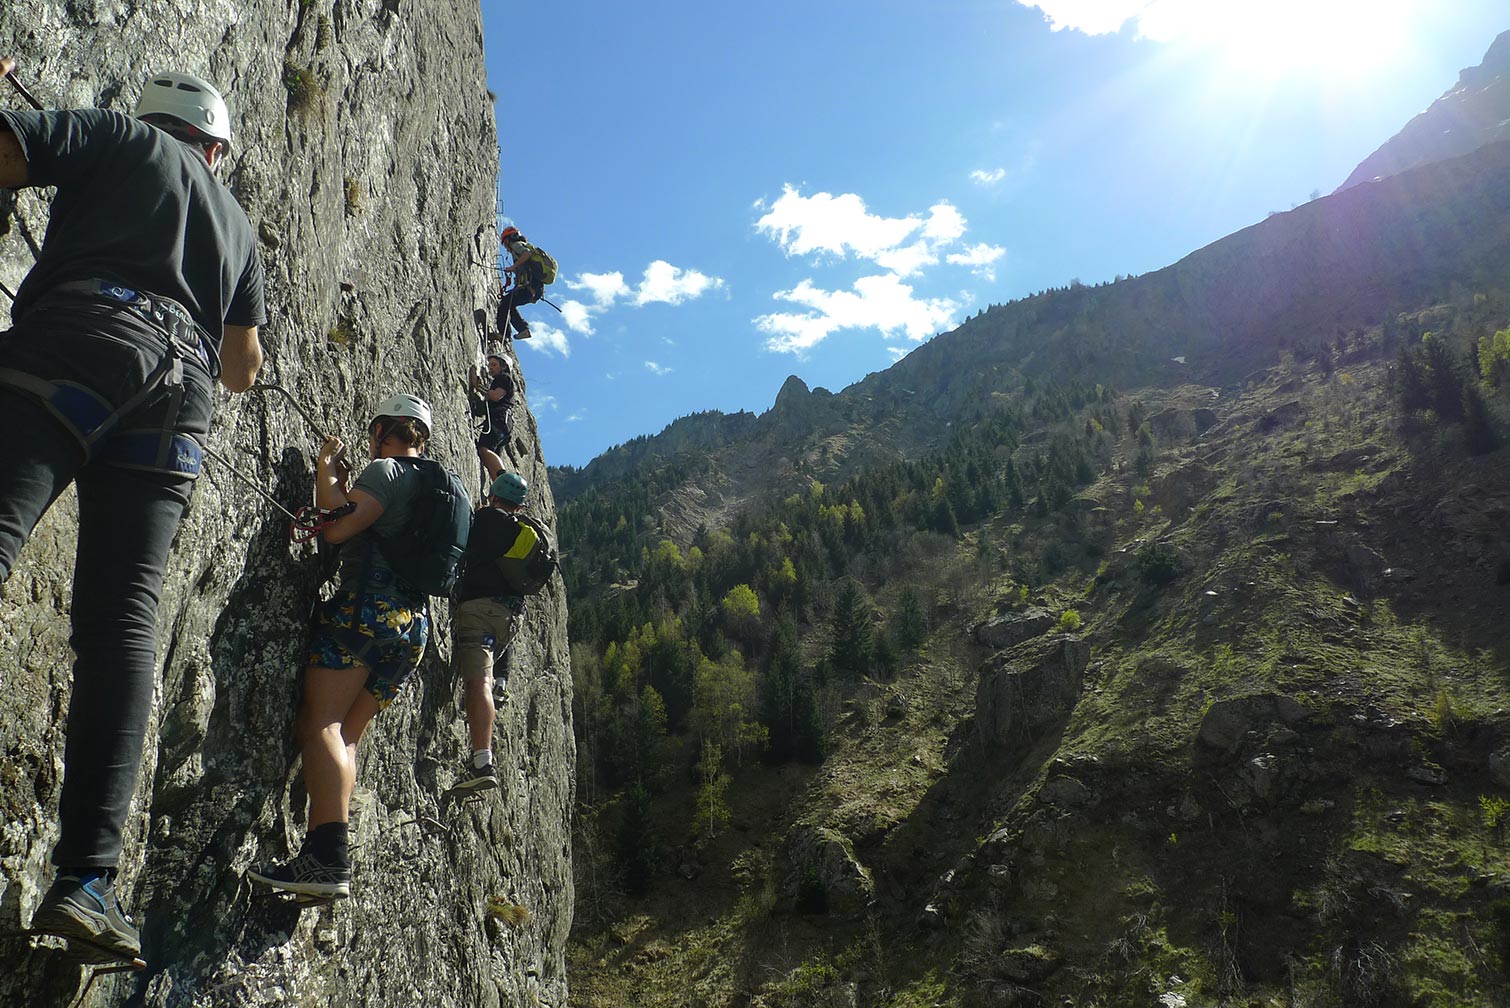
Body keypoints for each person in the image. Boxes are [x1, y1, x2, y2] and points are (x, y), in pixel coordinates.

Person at [0, 61, 265, 962]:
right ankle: (87, 884)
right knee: (122, 628)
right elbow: (244, 368)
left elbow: (10, 148)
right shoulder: (236, 225)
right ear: (217, 147)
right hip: (180, 400)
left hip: (78, 338)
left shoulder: (119, 136)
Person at [248, 394, 437, 901]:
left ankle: (327, 859)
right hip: (412, 629)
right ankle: (327, 852)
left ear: (385, 430)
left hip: (365, 615)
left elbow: (336, 528)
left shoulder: (388, 470)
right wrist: (340, 487)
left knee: (320, 724)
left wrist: (327, 470)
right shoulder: (445, 487)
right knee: (346, 736)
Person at [450, 452, 532, 793]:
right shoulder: (524, 530)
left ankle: (482, 761)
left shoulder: (482, 520)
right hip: (509, 619)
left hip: (478, 613)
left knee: (476, 683)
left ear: (492, 496)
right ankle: (501, 679)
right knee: (490, 672)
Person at [496, 225, 541, 340]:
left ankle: (504, 335)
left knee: (504, 305)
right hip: (534, 289)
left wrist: (513, 267)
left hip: (528, 287)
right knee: (509, 305)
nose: (506, 247)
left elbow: (527, 254)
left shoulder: (517, 245)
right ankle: (523, 329)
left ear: (510, 238)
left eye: (505, 243)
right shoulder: (520, 250)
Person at [470, 353, 516, 459]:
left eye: (494, 365)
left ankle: (500, 474)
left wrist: (478, 386)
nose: (490, 368)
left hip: (499, 421)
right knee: (491, 456)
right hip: (502, 424)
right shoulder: (500, 381)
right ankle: (498, 476)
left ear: (504, 366)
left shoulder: (504, 378)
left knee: (484, 449)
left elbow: (495, 396)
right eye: (489, 365)